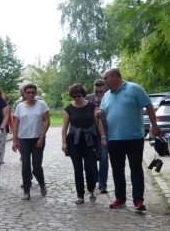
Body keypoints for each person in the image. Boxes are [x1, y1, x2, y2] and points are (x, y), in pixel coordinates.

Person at [100, 68, 160, 211]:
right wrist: (99, 114)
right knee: (117, 170)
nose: (104, 81)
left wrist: (154, 125)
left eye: (105, 78)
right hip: (114, 138)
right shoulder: (106, 95)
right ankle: (120, 198)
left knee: (136, 168)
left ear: (115, 76)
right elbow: (103, 114)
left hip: (134, 137)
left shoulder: (135, 88)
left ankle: (138, 200)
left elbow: (149, 106)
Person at [62, 83, 107, 204]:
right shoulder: (69, 109)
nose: (77, 98)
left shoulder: (91, 106)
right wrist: (64, 142)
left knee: (90, 167)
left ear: (83, 95)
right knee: (77, 169)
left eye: (79, 95)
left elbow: (98, 123)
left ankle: (91, 189)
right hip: (74, 140)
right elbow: (65, 126)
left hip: (89, 140)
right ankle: (80, 195)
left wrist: (102, 137)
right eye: (74, 96)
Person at [12, 83, 50, 200]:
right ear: (24, 93)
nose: (30, 94)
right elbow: (16, 124)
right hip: (24, 139)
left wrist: (41, 137)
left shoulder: (41, 105)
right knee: (25, 164)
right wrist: (14, 141)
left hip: (38, 138)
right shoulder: (20, 106)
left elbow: (47, 121)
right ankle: (26, 191)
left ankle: (42, 183)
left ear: (36, 93)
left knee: (36, 165)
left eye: (32, 92)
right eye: (28, 92)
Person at [86, 78, 109, 194]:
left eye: (101, 91)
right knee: (91, 159)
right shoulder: (87, 99)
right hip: (90, 134)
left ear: (104, 89)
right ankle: (93, 181)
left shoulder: (109, 97)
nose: (99, 94)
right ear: (93, 89)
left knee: (104, 158)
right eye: (96, 92)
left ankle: (102, 184)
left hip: (106, 133)